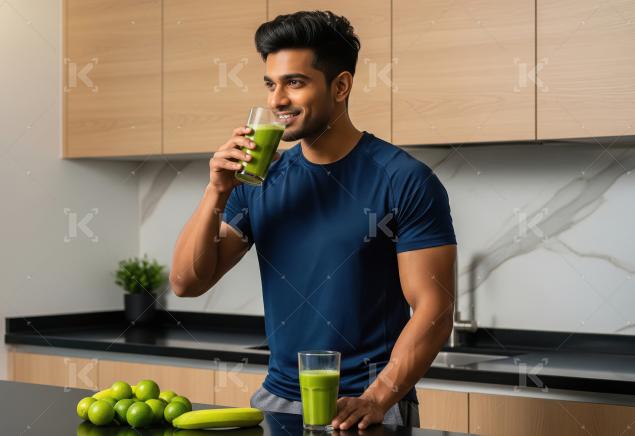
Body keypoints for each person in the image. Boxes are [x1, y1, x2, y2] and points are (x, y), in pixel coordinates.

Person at [169, 10, 457, 430]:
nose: (276, 100)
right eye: (271, 84)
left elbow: (434, 308)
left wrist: (377, 397)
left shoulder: (403, 179)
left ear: (340, 85)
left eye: (295, 83)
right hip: (276, 398)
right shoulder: (258, 180)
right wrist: (217, 190)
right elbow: (186, 283)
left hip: (365, 408)